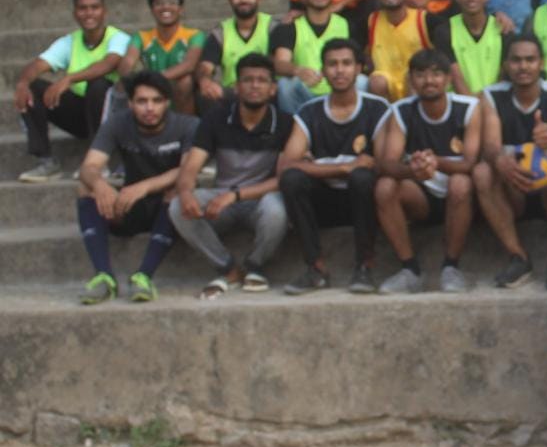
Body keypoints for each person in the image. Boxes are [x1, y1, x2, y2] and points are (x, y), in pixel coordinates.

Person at [169, 53, 292, 299]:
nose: (254, 86)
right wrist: (185, 191)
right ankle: (228, 268)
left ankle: (255, 265)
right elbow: (191, 167)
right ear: (236, 87)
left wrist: (236, 195)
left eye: (262, 80)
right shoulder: (216, 119)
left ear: (273, 89)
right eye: (247, 80)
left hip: (260, 199)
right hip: (221, 200)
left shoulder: (285, 123)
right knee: (176, 206)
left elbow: (282, 179)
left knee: (278, 209)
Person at [277, 39, 390, 295]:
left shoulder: (377, 107)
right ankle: (315, 269)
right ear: (323, 71)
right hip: (324, 202)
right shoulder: (309, 112)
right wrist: (343, 168)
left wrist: (345, 169)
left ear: (359, 68)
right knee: (292, 180)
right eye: (332, 64)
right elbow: (288, 165)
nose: (340, 70)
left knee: (363, 177)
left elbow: (383, 164)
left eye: (346, 63)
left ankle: (365, 266)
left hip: (364, 201)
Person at [75, 71, 198, 305]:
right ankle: (104, 277)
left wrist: (145, 186)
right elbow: (88, 167)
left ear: (167, 102)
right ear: (130, 103)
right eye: (142, 101)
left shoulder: (188, 125)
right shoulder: (117, 123)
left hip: (170, 208)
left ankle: (143, 276)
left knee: (178, 191)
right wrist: (100, 184)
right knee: (85, 187)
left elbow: (187, 171)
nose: (149, 108)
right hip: (131, 203)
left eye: (156, 101)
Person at [472, 37, 547, 292]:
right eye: (516, 60)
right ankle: (518, 257)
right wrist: (499, 160)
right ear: (506, 65)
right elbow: (491, 144)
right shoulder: (490, 95)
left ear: (541, 63)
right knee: (482, 171)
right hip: (513, 187)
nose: (523, 66)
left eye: (530, 60)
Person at [375, 49, 481, 294]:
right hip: (421, 195)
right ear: (411, 80)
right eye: (420, 74)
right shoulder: (401, 110)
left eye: (436, 74)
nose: (429, 80)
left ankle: (451, 267)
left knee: (460, 182)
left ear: (448, 79)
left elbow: (470, 163)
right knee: (385, 186)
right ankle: (409, 269)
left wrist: (435, 162)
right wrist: (412, 170)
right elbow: (387, 163)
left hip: (462, 196)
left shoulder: (469, 107)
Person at [14, 0, 131, 183]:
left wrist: (68, 79)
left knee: (98, 84)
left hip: (112, 115)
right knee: (32, 88)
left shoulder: (119, 38)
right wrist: (23, 83)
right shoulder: (70, 41)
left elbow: (109, 63)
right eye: (83, 8)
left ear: (104, 11)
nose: (89, 13)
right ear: (75, 13)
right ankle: (46, 162)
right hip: (82, 116)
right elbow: (37, 65)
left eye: (94, 7)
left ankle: (97, 162)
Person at [272, 0, 362, 114]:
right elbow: (280, 63)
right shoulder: (290, 27)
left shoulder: (346, 25)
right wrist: (298, 71)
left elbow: (358, 62)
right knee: (285, 85)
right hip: (305, 89)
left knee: (362, 81)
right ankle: (293, 125)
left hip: (339, 87)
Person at [195, 0, 278, 112]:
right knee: (206, 95)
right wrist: (205, 80)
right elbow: (206, 66)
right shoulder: (220, 33)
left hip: (266, 90)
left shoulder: (273, 27)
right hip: (233, 92)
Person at [118, 0, 206, 114]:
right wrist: (129, 74)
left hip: (182, 93)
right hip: (151, 91)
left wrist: (153, 79)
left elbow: (189, 65)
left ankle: (186, 125)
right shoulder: (141, 37)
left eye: (172, 2)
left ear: (181, 8)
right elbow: (128, 62)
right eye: (159, 3)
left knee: (185, 81)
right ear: (152, 9)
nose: (165, 7)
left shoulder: (195, 35)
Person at [430, 0, 506, 95]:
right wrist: (474, 104)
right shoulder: (444, 31)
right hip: (459, 102)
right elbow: (455, 77)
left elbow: (504, 74)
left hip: (495, 102)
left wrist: (489, 102)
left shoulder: (502, 28)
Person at [366, 0, 429, 101]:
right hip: (386, 83)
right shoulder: (371, 21)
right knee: (376, 81)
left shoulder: (424, 19)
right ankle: (384, 114)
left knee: (413, 77)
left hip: (416, 82)